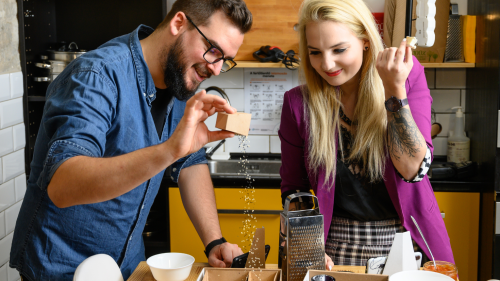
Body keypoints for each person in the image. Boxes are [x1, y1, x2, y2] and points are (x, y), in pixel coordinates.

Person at [9, 0, 252, 280]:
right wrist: (169, 150)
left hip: (127, 268)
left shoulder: (178, 83)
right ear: (178, 24)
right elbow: (63, 186)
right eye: (214, 51)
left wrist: (214, 242)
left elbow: (189, 162)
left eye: (226, 59)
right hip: (61, 269)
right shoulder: (97, 75)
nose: (217, 68)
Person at [279, 0, 454, 268]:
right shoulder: (298, 104)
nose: (327, 64)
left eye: (339, 49)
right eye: (315, 52)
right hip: (334, 248)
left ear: (365, 41)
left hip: (409, 243)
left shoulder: (406, 77)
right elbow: (296, 188)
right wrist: (307, 243)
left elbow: (413, 170)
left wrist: (394, 90)